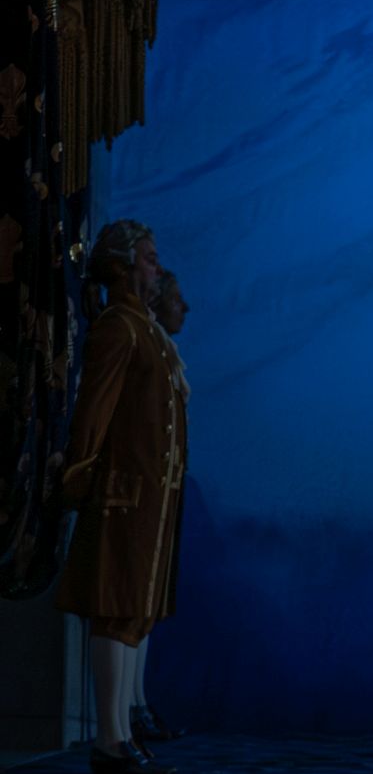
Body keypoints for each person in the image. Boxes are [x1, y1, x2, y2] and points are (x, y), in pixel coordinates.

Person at [56, 221, 185, 774]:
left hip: (148, 497)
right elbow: (95, 410)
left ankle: (123, 731)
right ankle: (110, 739)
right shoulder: (119, 328)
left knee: (135, 607)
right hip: (122, 495)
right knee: (117, 606)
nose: (157, 268)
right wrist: (81, 473)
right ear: (124, 265)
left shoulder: (143, 329)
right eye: (149, 258)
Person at [128, 270, 191, 745]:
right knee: (127, 605)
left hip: (157, 486)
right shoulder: (132, 335)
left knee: (142, 606)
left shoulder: (158, 345)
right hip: (135, 486)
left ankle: (135, 705)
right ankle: (127, 713)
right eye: (176, 298)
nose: (183, 308)